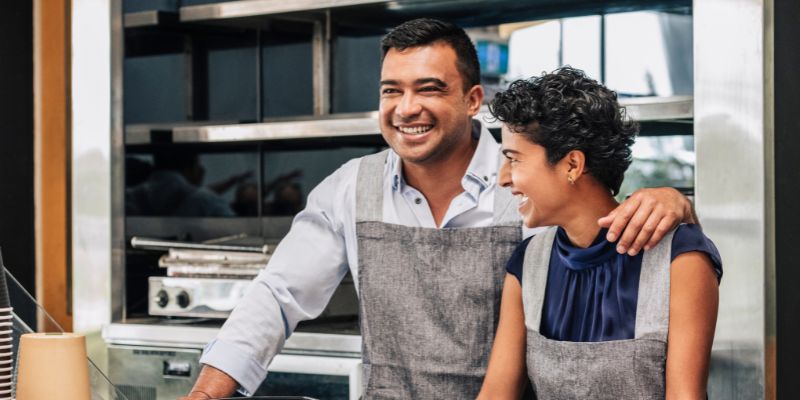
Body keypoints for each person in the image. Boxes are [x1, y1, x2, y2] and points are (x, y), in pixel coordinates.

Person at [181, 19, 697, 399]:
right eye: (392, 91)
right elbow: (277, 294)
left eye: (429, 89)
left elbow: (596, 219)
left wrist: (677, 202)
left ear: (474, 100)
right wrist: (209, 391)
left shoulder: (527, 187)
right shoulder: (350, 188)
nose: (406, 108)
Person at [476, 68, 721, 399]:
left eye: (514, 160)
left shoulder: (681, 258)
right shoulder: (526, 263)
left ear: (572, 165)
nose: (503, 178)